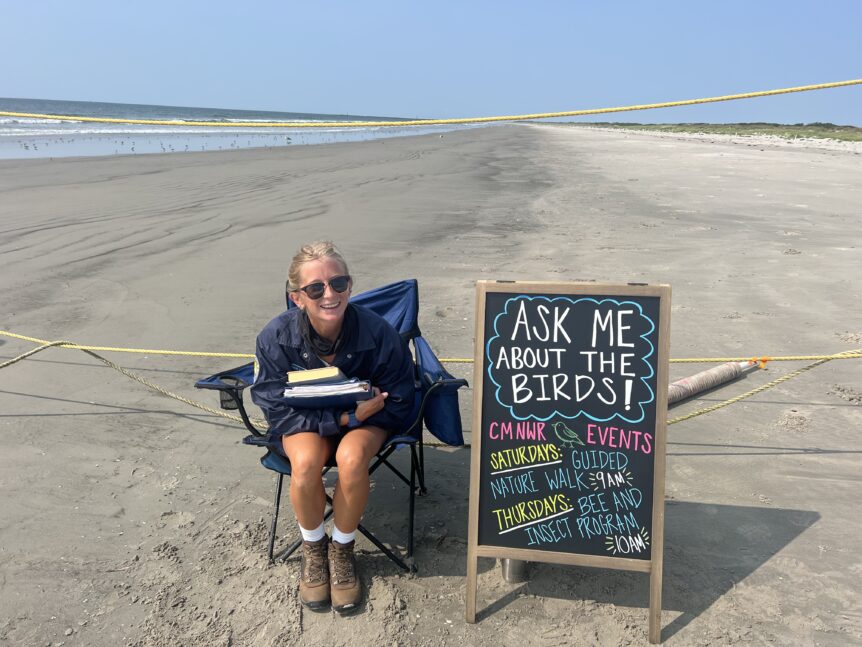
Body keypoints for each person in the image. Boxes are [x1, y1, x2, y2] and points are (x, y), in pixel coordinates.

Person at [250, 241, 414, 614]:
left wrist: (364, 417)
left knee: (352, 456)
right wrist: (345, 418)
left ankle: (341, 550)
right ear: (297, 298)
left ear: (350, 286)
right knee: (305, 462)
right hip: (316, 421)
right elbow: (274, 408)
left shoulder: (379, 332)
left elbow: (403, 399)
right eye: (316, 288)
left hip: (369, 422)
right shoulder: (275, 337)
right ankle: (313, 548)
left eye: (339, 283)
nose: (330, 294)